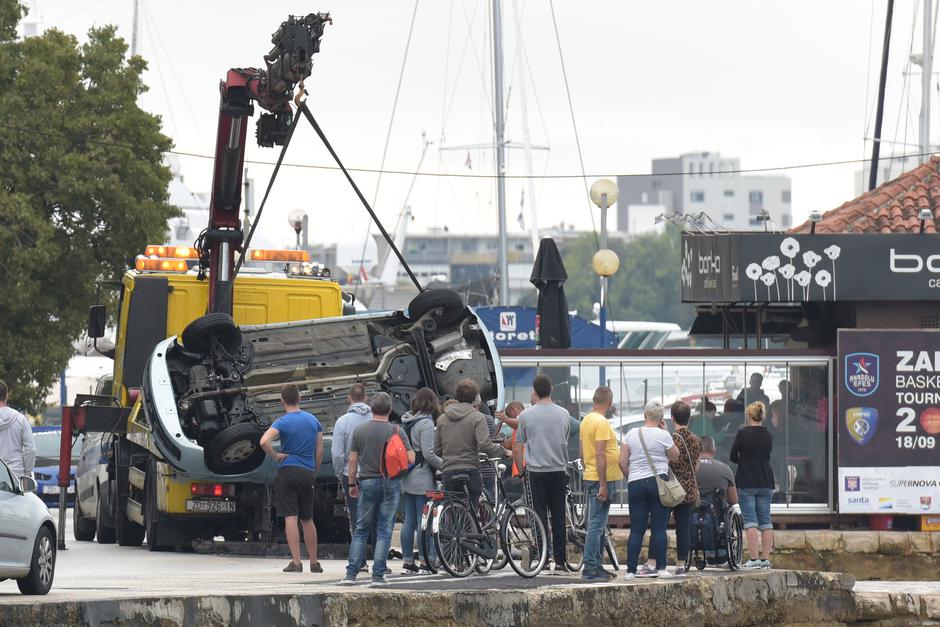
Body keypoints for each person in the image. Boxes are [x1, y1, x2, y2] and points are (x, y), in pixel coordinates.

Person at [338, 392, 415, 586]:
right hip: (391, 482)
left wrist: (351, 484)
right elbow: (411, 458)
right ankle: (378, 575)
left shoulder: (360, 431)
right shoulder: (397, 431)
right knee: (384, 529)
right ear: (389, 410)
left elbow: (352, 460)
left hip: (367, 482)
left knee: (361, 529)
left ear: (371, 409)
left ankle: (351, 574)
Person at [259, 384, 324, 573]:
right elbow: (319, 450)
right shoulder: (313, 421)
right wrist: (314, 471)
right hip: (307, 472)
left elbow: (264, 441)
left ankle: (296, 562)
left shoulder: (282, 422)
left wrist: (275, 455)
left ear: (282, 401)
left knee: (291, 517)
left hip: (288, 471)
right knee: (307, 518)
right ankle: (314, 562)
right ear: (300, 399)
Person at [513, 374, 572, 573]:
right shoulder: (564, 414)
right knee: (558, 516)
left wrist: (521, 471)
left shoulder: (526, 416)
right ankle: (561, 562)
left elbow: (518, 447)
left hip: (535, 471)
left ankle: (543, 558)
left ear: (535, 391)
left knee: (538, 516)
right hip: (558, 470)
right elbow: (564, 437)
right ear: (552, 389)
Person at [618, 400, 679, 579]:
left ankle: (630, 571)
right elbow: (675, 457)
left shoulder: (630, 434)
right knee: (659, 528)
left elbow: (621, 461)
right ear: (661, 418)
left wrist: (631, 477)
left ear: (645, 415)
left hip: (636, 482)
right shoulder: (664, 435)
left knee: (637, 529)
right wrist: (666, 432)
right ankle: (661, 568)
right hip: (658, 481)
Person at [434, 379, 509, 510]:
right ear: (476, 398)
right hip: (470, 468)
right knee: (471, 510)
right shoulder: (477, 417)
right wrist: (504, 452)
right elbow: (485, 445)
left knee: (452, 510)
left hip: (448, 470)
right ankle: (470, 528)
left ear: (457, 396)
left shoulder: (442, 419)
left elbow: (437, 449)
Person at [578, 386, 622, 582]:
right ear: (609, 402)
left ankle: (596, 564)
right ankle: (590, 567)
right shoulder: (602, 423)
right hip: (601, 478)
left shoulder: (586, 420)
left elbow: (582, 451)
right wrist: (603, 484)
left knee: (597, 522)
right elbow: (600, 454)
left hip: (591, 474)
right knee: (597, 524)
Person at [399, 388, 443, 575]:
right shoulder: (425, 423)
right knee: (423, 521)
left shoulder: (406, 421)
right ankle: (426, 562)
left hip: (407, 476)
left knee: (408, 521)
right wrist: (444, 465)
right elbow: (428, 453)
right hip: (422, 477)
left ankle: (408, 562)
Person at [729, 401, 774, 569]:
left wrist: (744, 461)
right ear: (763, 416)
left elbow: (733, 455)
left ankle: (754, 558)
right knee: (765, 521)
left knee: (750, 521)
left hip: (747, 480)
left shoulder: (743, 433)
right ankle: (765, 560)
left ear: (748, 416)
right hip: (765, 480)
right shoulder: (768, 434)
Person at [331, 384, 373, 542]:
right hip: (374, 474)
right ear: (366, 398)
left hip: (351, 475)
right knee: (375, 516)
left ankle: (360, 560)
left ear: (349, 398)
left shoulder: (342, 422)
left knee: (356, 517)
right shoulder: (375, 419)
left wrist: (339, 473)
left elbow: (337, 454)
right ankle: (378, 559)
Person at [668, 401, 702, 576]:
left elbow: (666, 464)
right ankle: (681, 563)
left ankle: (656, 561)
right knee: (684, 527)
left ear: (672, 418)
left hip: (670, 489)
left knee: (660, 525)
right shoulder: (696, 440)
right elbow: (695, 468)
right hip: (688, 490)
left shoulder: (671, 439)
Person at [0, 380, 35, 480]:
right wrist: (25, 474)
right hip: (15, 475)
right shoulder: (20, 419)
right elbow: (31, 450)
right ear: (6, 396)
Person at [696, 436, 738, 505]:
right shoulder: (726, 469)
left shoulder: (689, 469)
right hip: (718, 513)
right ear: (714, 451)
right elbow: (733, 500)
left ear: (696, 450)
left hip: (692, 513)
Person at [496, 401, 525, 477]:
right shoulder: (517, 430)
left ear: (513, 410)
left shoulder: (523, 419)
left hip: (524, 469)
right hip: (519, 470)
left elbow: (520, 423)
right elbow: (505, 445)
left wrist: (506, 419)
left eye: (508, 414)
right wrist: (497, 429)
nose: (508, 417)